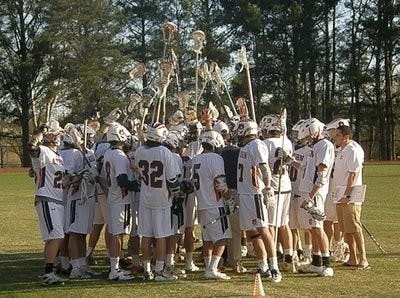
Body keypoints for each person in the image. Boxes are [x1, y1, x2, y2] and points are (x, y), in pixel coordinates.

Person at [236, 119, 282, 283]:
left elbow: (263, 167)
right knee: (251, 231)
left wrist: (268, 186)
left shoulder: (256, 145)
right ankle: (263, 266)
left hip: (254, 193)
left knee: (263, 229)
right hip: (245, 194)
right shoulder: (247, 146)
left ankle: (274, 267)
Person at [134, 122, 181, 281]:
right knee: (162, 235)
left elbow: (138, 170)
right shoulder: (164, 152)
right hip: (161, 198)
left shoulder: (140, 150)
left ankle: (147, 269)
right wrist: (177, 192)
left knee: (146, 235)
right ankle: (160, 270)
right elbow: (172, 180)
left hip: (145, 197)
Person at [28, 121, 67, 286]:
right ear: (49, 135)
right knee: (56, 236)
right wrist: (38, 133)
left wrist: (81, 176)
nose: (59, 136)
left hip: (57, 199)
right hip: (46, 198)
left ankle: (48, 272)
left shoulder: (58, 156)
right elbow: (32, 147)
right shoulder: (43, 151)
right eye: (56, 133)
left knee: (54, 237)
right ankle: (48, 274)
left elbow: (63, 181)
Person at [191, 130, 232, 280]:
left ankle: (208, 267)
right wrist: (229, 199)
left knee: (207, 239)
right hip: (215, 203)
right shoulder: (215, 158)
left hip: (201, 203)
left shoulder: (196, 159)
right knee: (222, 238)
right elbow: (219, 182)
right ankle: (212, 268)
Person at [297, 118, 335, 277]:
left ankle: (327, 264)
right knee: (313, 228)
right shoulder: (315, 146)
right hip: (309, 191)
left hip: (316, 193)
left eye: (308, 135)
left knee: (318, 227)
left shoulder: (325, 145)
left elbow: (321, 176)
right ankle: (316, 262)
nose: (306, 139)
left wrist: (310, 197)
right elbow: (305, 168)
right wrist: (288, 160)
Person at [260, 114, 295, 273]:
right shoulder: (286, 142)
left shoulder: (265, 144)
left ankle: (272, 257)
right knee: (284, 223)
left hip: (273, 186)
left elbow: (263, 167)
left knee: (271, 224)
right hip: (286, 185)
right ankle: (289, 257)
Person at [103, 123, 137, 281]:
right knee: (118, 235)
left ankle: (113, 267)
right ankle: (114, 270)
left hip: (113, 197)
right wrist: (138, 185)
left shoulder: (108, 153)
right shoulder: (119, 156)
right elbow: (122, 180)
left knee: (114, 233)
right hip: (121, 199)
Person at [333, 124, 369, 269]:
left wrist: (348, 195)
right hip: (340, 194)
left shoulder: (352, 151)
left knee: (354, 228)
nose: (335, 138)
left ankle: (363, 258)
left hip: (350, 196)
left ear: (346, 136)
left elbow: (353, 174)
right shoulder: (341, 150)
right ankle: (352, 258)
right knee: (346, 229)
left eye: (338, 135)